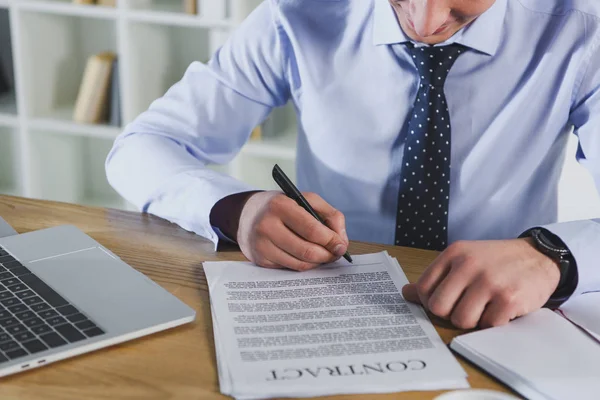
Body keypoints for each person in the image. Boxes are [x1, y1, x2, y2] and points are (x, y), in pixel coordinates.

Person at [106, 0, 600, 330]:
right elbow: (142, 146)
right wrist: (235, 207)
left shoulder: (582, 29)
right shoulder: (299, 13)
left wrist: (552, 256)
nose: (426, 23)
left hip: (503, 319)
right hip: (327, 304)